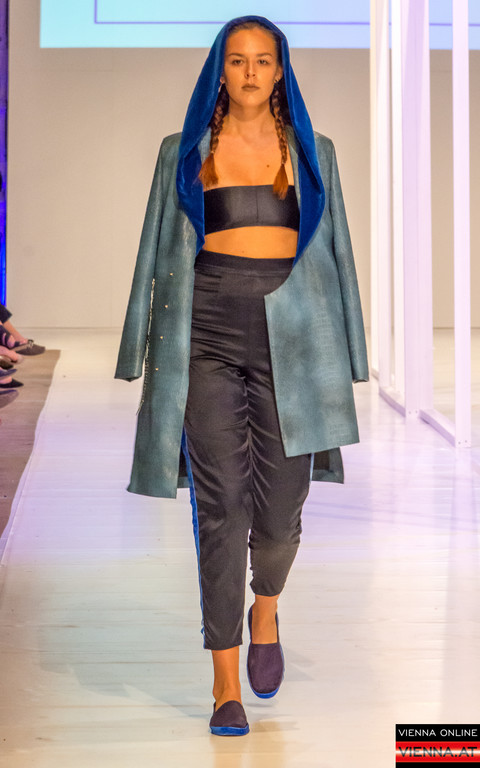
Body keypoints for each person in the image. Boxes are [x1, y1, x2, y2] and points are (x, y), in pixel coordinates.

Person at [115, 16, 368, 736]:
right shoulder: (184, 151)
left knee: (281, 514)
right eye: (237, 60)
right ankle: (224, 684)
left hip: (295, 337)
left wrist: (351, 353)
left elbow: (337, 253)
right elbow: (154, 249)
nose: (251, 72)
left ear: (281, 70)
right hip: (207, 331)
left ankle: (268, 608)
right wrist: (137, 349)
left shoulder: (314, 151)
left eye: (263, 60)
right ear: (219, 70)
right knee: (221, 506)